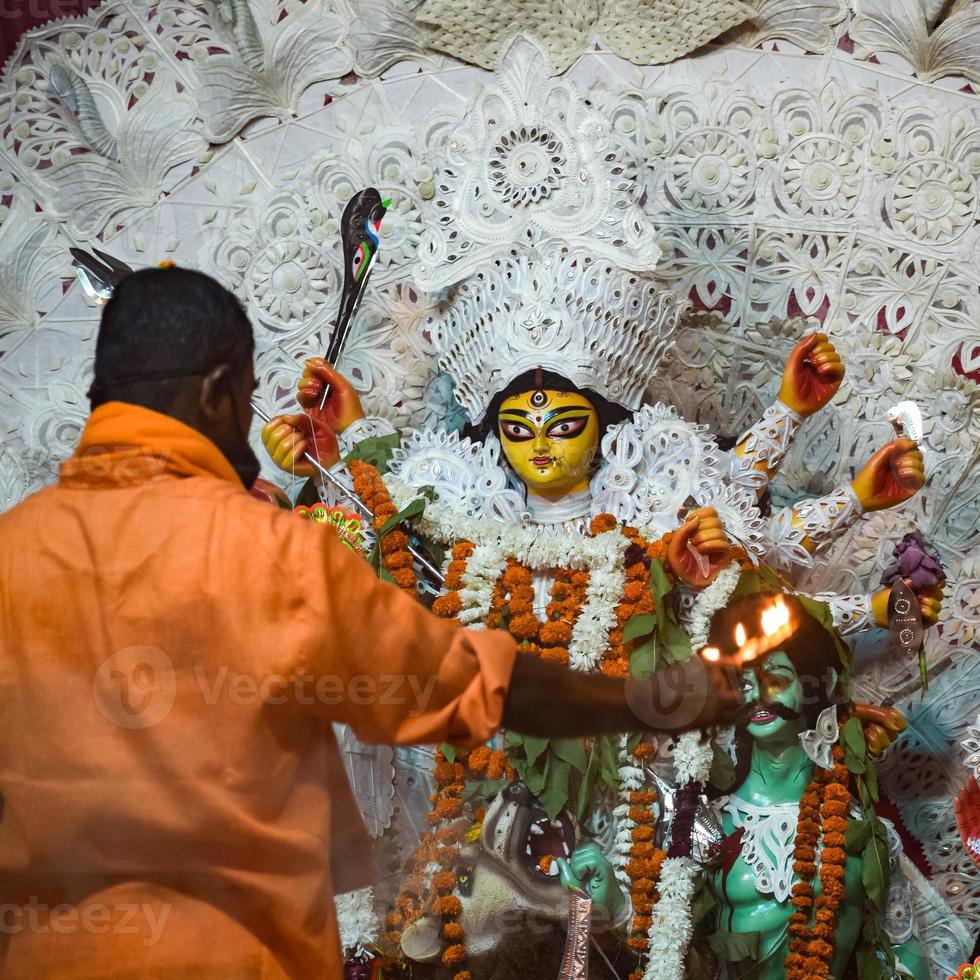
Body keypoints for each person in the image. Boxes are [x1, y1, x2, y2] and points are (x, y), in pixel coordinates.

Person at [0, 267, 738, 979]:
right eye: (249, 396)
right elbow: (464, 684)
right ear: (221, 391)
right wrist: (643, 701)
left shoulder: (12, 552)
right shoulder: (268, 552)